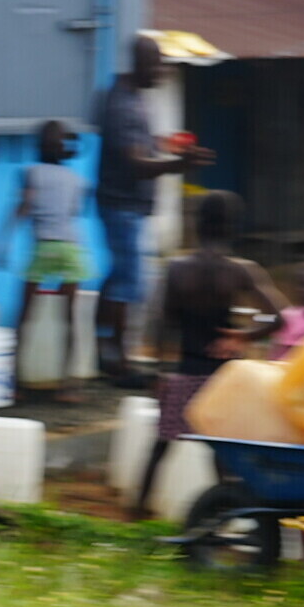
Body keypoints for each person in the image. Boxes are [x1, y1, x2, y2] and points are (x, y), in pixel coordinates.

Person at [134, 189, 287, 519]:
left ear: (197, 223)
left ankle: (139, 509)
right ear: (232, 227)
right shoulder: (240, 270)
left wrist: (158, 371)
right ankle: (228, 517)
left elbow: (162, 325)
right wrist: (243, 336)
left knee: (161, 447)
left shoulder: (177, 269)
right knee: (222, 453)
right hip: (224, 378)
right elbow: (280, 317)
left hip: (185, 370)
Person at [91, 35, 205, 385]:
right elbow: (134, 162)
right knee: (131, 283)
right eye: (156, 66)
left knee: (120, 278)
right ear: (140, 64)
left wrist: (167, 146)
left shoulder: (133, 98)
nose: (161, 73)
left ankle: (107, 350)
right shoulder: (124, 105)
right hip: (121, 204)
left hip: (128, 205)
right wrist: (174, 165)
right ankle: (118, 360)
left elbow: (140, 146)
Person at [0, 119, 90, 393]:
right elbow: (74, 212)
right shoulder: (77, 180)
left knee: (25, 315)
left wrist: (4, 241)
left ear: (37, 146)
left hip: (44, 247)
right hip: (72, 249)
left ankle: (13, 379)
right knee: (69, 316)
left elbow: (24, 208)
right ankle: (69, 385)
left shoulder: (30, 173)